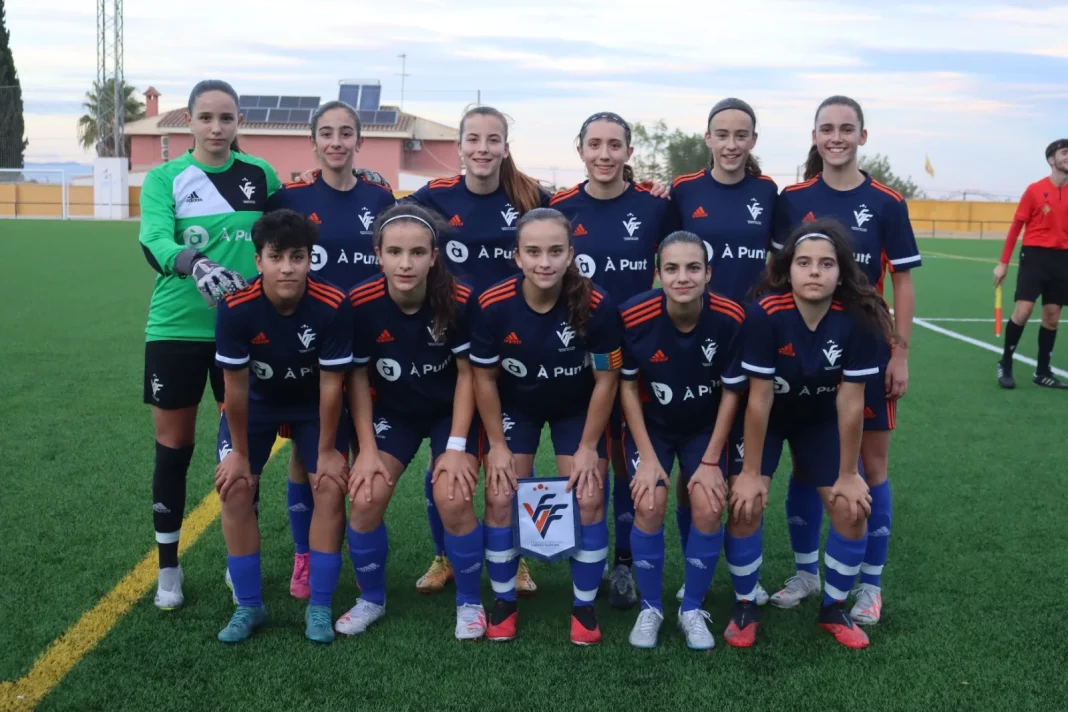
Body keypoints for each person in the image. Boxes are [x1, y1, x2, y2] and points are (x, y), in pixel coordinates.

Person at [770, 95, 921, 625]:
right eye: (827, 128)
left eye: (846, 128)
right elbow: (777, 273)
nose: (837, 137)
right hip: (803, 353)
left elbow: (902, 280)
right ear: (814, 136)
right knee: (807, 464)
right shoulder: (792, 199)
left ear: (862, 135)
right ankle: (807, 573)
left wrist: (899, 352)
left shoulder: (886, 201)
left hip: (866, 348)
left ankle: (870, 586)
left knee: (871, 468)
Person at [139, 79, 281, 610]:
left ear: (238, 121)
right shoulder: (165, 178)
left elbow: (288, 231)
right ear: (190, 122)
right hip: (176, 329)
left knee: (243, 450)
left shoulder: (260, 175)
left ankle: (237, 558)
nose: (217, 128)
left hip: (244, 332)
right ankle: (168, 567)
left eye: (226, 118)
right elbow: (154, 239)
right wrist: (194, 262)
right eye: (206, 118)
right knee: (174, 448)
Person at [403, 106, 552, 595]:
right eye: (473, 139)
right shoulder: (434, 196)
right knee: (446, 457)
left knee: (514, 462)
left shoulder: (530, 196)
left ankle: (518, 560)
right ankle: (445, 555)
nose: (482, 148)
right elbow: (389, 216)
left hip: (517, 350)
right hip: (454, 351)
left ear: (506, 148)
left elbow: (581, 213)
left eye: (493, 140)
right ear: (460, 146)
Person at [727, 218, 894, 649]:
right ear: (788, 270)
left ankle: (833, 609)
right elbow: (759, 399)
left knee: (851, 508)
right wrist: (750, 473)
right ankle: (744, 605)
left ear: (841, 272)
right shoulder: (765, 314)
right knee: (745, 504)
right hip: (769, 418)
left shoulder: (857, 319)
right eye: (804, 262)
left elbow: (851, 402)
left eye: (826, 263)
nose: (815, 271)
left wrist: (848, 474)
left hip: (820, 420)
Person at [469, 207, 623, 645]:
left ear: (571, 254)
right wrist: (497, 445)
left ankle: (584, 607)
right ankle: (504, 602)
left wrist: (588, 447)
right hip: (517, 407)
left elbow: (607, 379)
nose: (545, 262)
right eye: (533, 252)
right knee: (501, 493)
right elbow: (483, 378)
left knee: (589, 495)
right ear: (517, 256)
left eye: (556, 251)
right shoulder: (492, 304)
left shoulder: (597, 304)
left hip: (577, 409)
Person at [334, 203, 484, 641]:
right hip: (392, 413)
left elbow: (469, 377)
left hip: (449, 412)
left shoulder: (459, 299)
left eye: (417, 253)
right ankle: (371, 599)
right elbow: (356, 379)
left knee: (452, 497)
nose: (406, 263)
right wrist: (365, 451)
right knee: (365, 497)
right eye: (395, 252)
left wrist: (455, 448)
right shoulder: (359, 303)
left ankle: (470, 602)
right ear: (377, 255)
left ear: (434, 257)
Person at [266, 100, 397, 600]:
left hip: (371, 338)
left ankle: (363, 549)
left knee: (364, 446)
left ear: (359, 140)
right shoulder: (291, 196)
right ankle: (305, 555)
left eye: (345, 133)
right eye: (326, 133)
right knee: (308, 452)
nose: (336, 142)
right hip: (309, 344)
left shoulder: (379, 195)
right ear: (313, 141)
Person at [548, 111, 679, 609]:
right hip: (576, 355)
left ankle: (624, 562)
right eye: (595, 144)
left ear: (629, 152)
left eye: (614, 145)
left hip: (639, 356)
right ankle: (590, 558)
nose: (605, 154)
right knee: (589, 463)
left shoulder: (655, 206)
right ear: (580, 149)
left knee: (628, 463)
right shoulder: (557, 207)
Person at [211, 209, 354, 644]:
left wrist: (326, 452)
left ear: (311, 258)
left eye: (297, 257)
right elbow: (235, 389)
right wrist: (239, 454)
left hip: (313, 407)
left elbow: (332, 386)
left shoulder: (332, 304)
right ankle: (249, 605)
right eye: (276, 257)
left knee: (328, 485)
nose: (287, 268)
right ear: (259, 261)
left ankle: (320, 606)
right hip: (257, 406)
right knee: (235, 487)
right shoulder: (235, 307)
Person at [666, 97, 777, 606]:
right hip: (692, 338)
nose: (731, 144)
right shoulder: (684, 190)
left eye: (741, 135)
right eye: (722, 134)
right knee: (694, 466)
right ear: (707, 138)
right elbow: (668, 257)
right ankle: (697, 571)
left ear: (753, 140)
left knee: (740, 465)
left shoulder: (768, 192)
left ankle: (741, 577)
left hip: (748, 340)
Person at [617, 231, 747, 650]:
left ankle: (691, 608)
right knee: (649, 502)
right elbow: (626, 387)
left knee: (708, 505)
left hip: (704, 428)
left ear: (708, 273)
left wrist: (710, 462)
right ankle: (650, 608)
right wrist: (647, 457)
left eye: (693, 268)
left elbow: (732, 392)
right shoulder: (633, 316)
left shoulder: (731, 317)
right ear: (658, 274)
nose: (682, 277)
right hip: (652, 426)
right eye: (671, 268)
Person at [993, 138, 1068, 390]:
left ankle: (1042, 372)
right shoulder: (1035, 190)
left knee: (1052, 317)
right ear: (1051, 160)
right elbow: (1016, 227)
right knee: (1023, 311)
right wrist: (1003, 263)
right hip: (1035, 257)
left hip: (1062, 259)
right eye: (1064, 152)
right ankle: (1005, 363)